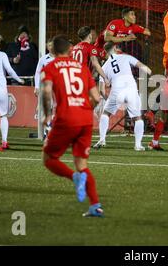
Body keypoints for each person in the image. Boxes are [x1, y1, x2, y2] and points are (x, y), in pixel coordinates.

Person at [41, 35, 103, 218]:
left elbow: (45, 92)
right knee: (82, 164)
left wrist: (47, 115)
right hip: (86, 119)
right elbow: (97, 98)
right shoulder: (82, 67)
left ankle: (74, 178)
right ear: (69, 50)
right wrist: (84, 110)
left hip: (66, 118)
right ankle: (95, 206)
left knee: (48, 158)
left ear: (52, 51)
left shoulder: (49, 67)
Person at [93, 42, 152, 151]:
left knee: (105, 114)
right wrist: (149, 72)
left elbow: (101, 90)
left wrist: (108, 100)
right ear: (115, 48)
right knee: (137, 117)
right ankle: (138, 145)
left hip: (117, 91)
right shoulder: (125, 57)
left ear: (105, 52)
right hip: (131, 88)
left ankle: (102, 140)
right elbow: (143, 67)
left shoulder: (104, 67)